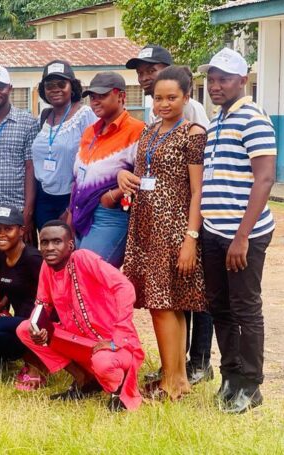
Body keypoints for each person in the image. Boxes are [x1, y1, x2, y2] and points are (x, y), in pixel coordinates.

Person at [118, 66, 208, 400]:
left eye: (172, 97)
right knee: (166, 304)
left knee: (165, 304)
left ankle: (173, 382)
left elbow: (198, 191)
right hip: (144, 227)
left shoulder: (193, 133)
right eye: (158, 98)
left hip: (173, 231)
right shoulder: (148, 132)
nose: (164, 104)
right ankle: (177, 379)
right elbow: (141, 173)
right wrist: (122, 179)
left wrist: (191, 238)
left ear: (187, 97)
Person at [197, 48, 277, 413]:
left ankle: (251, 384)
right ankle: (230, 375)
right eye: (211, 79)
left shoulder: (253, 119)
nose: (215, 85)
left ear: (243, 80)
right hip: (214, 230)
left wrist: (242, 236)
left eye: (224, 79)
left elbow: (264, 179)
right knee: (220, 306)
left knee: (245, 308)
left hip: (243, 234)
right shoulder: (216, 121)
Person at [16, 221, 145, 411]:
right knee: (25, 329)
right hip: (81, 342)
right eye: (44, 242)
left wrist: (118, 337)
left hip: (113, 344)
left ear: (70, 245)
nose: (49, 248)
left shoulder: (84, 258)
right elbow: (42, 304)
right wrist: (38, 328)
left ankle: (117, 389)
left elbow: (124, 287)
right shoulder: (47, 267)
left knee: (103, 363)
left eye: (56, 241)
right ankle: (84, 380)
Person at [68, 72, 144, 267]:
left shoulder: (138, 130)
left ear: (121, 96)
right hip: (80, 212)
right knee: (76, 275)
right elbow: (78, 176)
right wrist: (70, 214)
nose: (95, 101)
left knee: (87, 274)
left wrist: (112, 196)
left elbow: (147, 177)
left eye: (102, 95)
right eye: (93, 97)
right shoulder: (90, 131)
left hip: (109, 216)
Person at [0, 206, 44, 388]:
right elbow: (11, 285)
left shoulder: (32, 258)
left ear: (21, 231)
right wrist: (1, 303)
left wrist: (39, 325)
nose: (1, 234)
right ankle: (28, 357)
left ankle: (36, 366)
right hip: (21, 321)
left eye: (8, 229)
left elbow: (50, 293)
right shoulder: (1, 257)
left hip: (40, 324)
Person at [0, 64, 38, 242]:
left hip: (16, 210)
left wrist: (28, 212)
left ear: (9, 88)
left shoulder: (28, 122)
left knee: (18, 265)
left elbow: (30, 168)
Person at [32, 60, 97, 228]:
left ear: (72, 86)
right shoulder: (43, 117)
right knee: (48, 249)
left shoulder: (85, 115)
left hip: (71, 197)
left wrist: (71, 206)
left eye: (61, 84)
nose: (55, 89)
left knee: (69, 248)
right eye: (49, 85)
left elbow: (93, 162)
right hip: (44, 197)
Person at [126, 44, 210, 127]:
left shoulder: (188, 106)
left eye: (151, 71)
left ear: (168, 70)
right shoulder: (154, 109)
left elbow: (205, 138)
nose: (144, 78)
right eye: (140, 73)